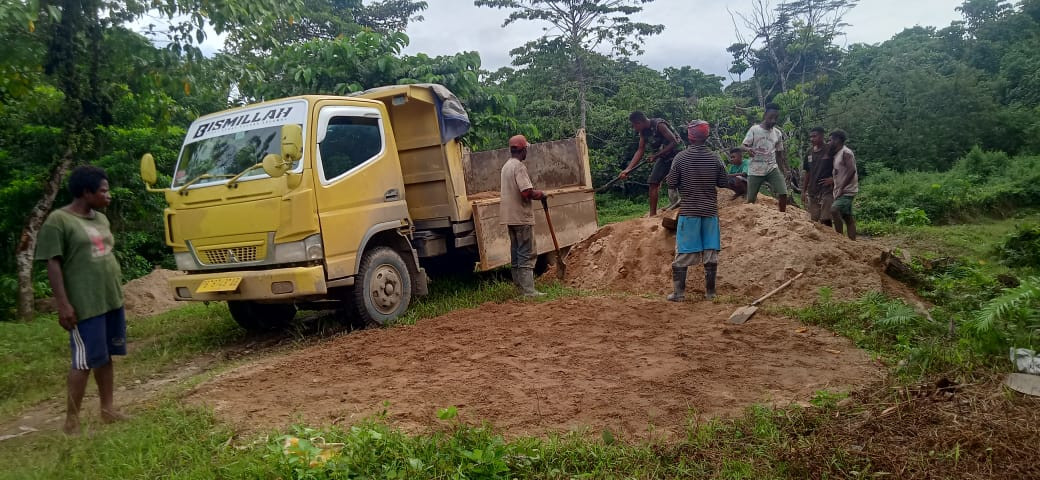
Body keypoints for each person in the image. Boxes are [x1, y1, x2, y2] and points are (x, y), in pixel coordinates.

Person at [34, 166, 127, 435]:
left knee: (106, 356)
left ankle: (107, 409)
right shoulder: (58, 221)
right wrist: (63, 304)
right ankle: (71, 421)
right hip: (85, 305)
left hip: (110, 299)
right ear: (86, 192)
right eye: (103, 190)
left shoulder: (100, 219)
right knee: (84, 362)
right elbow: (53, 264)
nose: (108, 195)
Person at [665, 120, 729, 301]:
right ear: (707, 136)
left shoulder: (681, 158)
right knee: (710, 252)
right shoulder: (715, 157)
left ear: (689, 136)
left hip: (689, 211)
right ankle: (710, 293)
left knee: (684, 252)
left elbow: (671, 183)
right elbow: (723, 182)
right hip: (710, 212)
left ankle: (679, 293)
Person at [500, 134, 547, 296]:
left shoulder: (506, 166)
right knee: (526, 252)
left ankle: (519, 288)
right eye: (526, 148)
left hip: (510, 218)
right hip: (521, 217)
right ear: (523, 149)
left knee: (516, 253)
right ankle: (528, 291)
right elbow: (526, 192)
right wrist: (541, 194)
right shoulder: (519, 167)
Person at [619, 111, 683, 216]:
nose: (634, 128)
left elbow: (674, 142)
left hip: (678, 155)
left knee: (674, 180)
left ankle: (682, 204)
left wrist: (656, 155)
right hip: (663, 157)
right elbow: (640, 150)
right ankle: (652, 215)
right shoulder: (643, 132)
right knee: (653, 182)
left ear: (639, 122)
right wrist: (628, 169)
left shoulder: (659, 125)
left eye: (634, 125)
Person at [741, 103, 789, 212]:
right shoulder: (754, 130)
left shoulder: (778, 133)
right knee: (751, 200)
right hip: (755, 169)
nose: (773, 120)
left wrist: (782, 171)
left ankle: (782, 216)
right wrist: (748, 149)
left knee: (783, 193)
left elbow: (779, 154)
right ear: (765, 115)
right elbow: (743, 146)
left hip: (771, 167)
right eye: (771, 117)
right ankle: (749, 218)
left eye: (776, 118)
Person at [829, 129, 858, 240]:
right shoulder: (837, 154)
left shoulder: (846, 153)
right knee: (848, 218)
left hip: (847, 191)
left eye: (830, 140)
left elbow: (852, 170)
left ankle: (840, 239)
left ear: (838, 140)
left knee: (834, 210)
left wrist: (842, 187)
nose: (829, 142)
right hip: (841, 190)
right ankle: (853, 242)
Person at [802, 127, 834, 226]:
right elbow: (807, 172)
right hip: (813, 191)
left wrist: (834, 179)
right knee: (814, 220)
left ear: (822, 136)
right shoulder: (809, 152)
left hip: (827, 190)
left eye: (814, 136)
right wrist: (803, 190)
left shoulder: (830, 150)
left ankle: (833, 240)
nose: (812, 139)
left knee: (826, 219)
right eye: (810, 137)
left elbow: (841, 167)